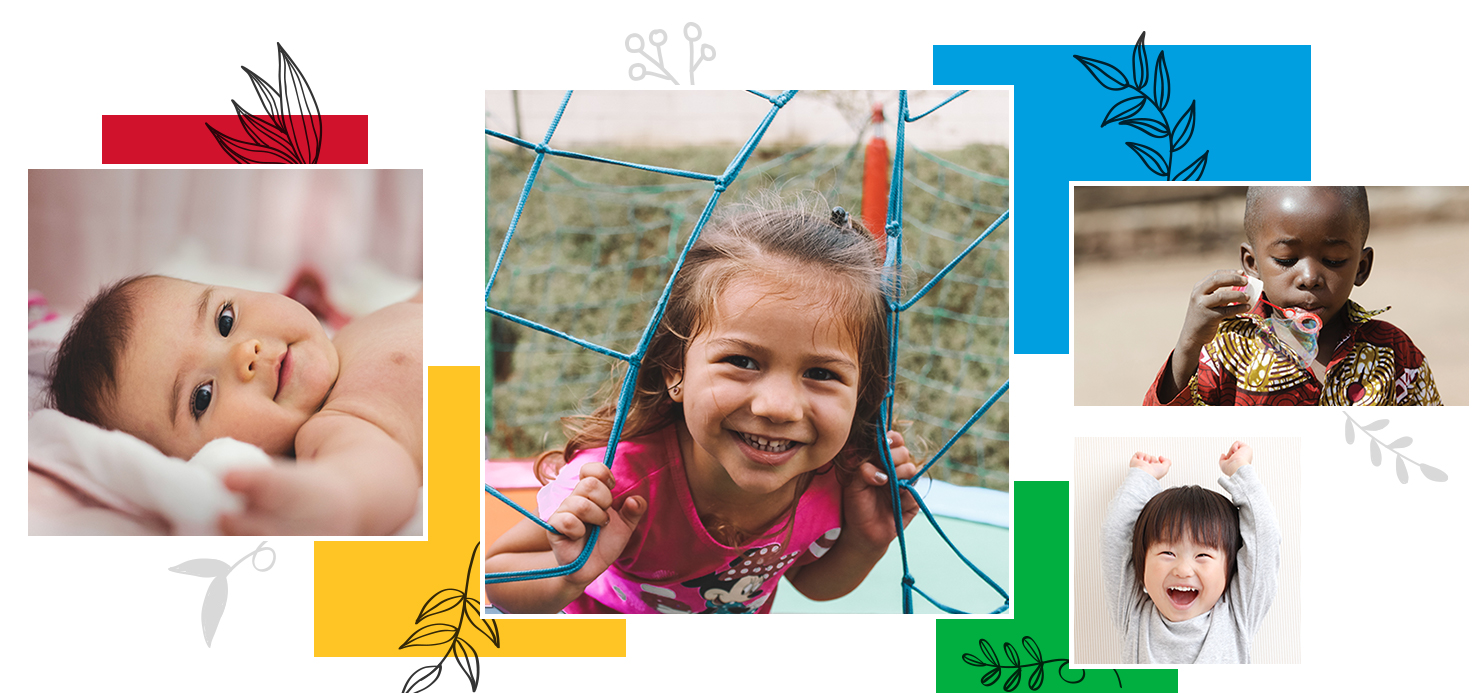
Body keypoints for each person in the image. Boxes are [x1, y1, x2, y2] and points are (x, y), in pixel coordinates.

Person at [485, 203, 921, 614]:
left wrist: (866, 540)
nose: (778, 408)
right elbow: (493, 576)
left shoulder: (838, 476)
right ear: (675, 369)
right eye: (742, 362)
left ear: (862, 391)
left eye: (822, 374)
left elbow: (811, 583)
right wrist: (568, 574)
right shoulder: (617, 482)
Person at [47, 275, 422, 535]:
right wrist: (336, 501)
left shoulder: (352, 334)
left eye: (225, 320)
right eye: (202, 397)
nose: (245, 353)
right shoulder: (338, 424)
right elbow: (379, 476)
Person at [1146, 186, 1441, 405]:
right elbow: (1166, 432)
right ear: (1252, 264)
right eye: (1286, 260)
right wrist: (1189, 343)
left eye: (1334, 260)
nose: (1309, 278)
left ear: (1362, 268)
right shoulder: (1227, 348)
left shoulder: (1393, 352)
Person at [1101, 442, 1279, 664]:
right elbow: (1115, 536)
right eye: (1168, 552)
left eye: (1202, 556)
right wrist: (1142, 477)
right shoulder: (1134, 615)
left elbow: (1265, 538)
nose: (1183, 570)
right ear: (1142, 561)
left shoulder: (1237, 616)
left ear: (1229, 567)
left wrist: (1240, 470)